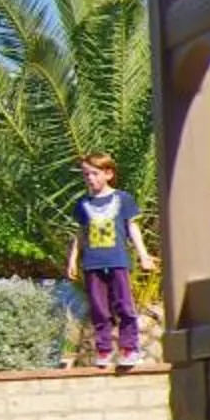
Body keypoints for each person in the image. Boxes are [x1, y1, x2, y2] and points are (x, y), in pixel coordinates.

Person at [63, 152, 157, 372]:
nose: (90, 178)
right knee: (99, 309)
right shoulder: (83, 205)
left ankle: (129, 349)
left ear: (108, 174)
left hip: (117, 261)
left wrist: (143, 255)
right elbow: (81, 233)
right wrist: (73, 259)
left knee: (124, 306)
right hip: (92, 264)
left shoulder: (123, 199)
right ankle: (103, 349)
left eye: (94, 173)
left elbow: (131, 228)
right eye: (86, 174)